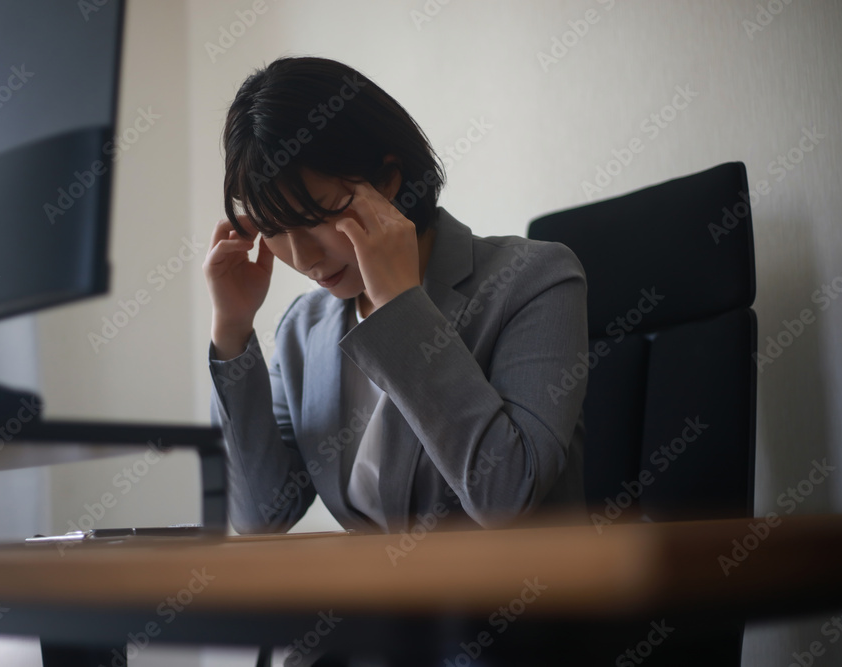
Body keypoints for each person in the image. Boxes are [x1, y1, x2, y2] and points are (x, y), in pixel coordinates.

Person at [204, 56, 588, 536]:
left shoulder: (534, 280)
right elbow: (262, 518)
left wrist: (399, 304)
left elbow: (506, 496)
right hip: (379, 607)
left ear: (388, 179)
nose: (302, 258)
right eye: (276, 230)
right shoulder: (304, 328)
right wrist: (232, 329)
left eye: (318, 216)